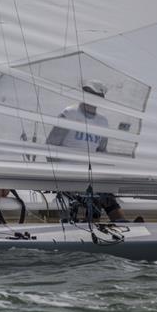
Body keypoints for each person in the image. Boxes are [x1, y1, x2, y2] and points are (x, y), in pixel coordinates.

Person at [46, 79, 128, 222]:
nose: (90, 97)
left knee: (105, 196)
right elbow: (50, 147)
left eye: (95, 95)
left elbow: (102, 152)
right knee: (93, 198)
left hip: (90, 178)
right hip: (67, 178)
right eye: (88, 93)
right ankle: (90, 230)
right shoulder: (69, 114)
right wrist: (60, 176)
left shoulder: (103, 122)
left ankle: (124, 225)